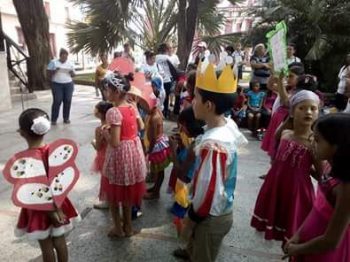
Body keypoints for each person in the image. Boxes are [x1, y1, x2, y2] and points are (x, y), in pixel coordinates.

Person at [175, 61, 248, 261]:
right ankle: (190, 250)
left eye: (195, 97)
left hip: (210, 216)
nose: (191, 101)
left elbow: (208, 191)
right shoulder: (228, 124)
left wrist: (190, 221)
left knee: (203, 254)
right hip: (218, 209)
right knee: (198, 245)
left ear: (208, 105)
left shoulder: (213, 144)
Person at [251, 90, 321, 243]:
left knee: (292, 221)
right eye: (301, 108)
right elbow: (276, 136)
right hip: (276, 183)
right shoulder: (286, 133)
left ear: (318, 112)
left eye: (313, 108)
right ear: (292, 111)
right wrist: (288, 120)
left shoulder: (314, 144)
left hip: (297, 190)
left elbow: (321, 173)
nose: (308, 112)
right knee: (276, 212)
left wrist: (303, 168)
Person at [11, 108, 80, 262]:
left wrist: (50, 212)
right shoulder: (55, 152)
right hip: (59, 203)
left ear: (21, 132)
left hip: (38, 206)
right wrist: (56, 209)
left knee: (46, 245)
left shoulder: (25, 160)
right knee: (60, 239)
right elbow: (61, 180)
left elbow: (33, 188)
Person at [283, 113, 350, 261]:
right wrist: (299, 234)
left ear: (337, 146)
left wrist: (298, 249)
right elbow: (317, 207)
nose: (312, 142)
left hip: (324, 252)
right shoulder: (329, 167)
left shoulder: (345, 188)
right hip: (309, 240)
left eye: (318, 140)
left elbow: (332, 241)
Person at [102, 72, 147, 237]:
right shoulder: (131, 107)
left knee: (114, 195)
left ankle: (118, 229)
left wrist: (105, 132)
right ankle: (128, 227)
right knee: (127, 193)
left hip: (120, 156)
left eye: (108, 90)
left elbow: (114, 142)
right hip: (134, 153)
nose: (106, 93)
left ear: (117, 92)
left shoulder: (113, 112)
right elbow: (141, 126)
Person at [168, 107, 205, 236]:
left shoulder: (194, 147)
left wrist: (172, 149)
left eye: (182, 126)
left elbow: (181, 173)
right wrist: (181, 146)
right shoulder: (198, 140)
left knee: (181, 216)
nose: (181, 129)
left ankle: (184, 239)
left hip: (186, 188)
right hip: (190, 187)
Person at [261, 65, 304, 158]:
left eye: (291, 76)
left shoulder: (299, 92)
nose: (288, 78)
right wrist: (273, 74)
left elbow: (286, 101)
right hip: (277, 118)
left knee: (281, 147)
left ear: (299, 77)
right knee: (274, 148)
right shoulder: (287, 87)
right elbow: (270, 86)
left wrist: (280, 81)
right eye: (287, 76)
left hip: (286, 120)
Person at [143, 79, 172, 200]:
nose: (144, 109)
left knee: (159, 172)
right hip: (155, 144)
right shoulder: (153, 113)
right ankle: (155, 188)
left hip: (157, 146)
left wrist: (149, 150)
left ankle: (156, 192)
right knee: (157, 170)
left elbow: (154, 137)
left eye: (145, 106)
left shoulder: (155, 117)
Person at [91, 101, 113, 209]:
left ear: (100, 114)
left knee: (105, 179)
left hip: (103, 156)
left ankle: (106, 200)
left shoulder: (99, 129)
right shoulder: (112, 126)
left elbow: (98, 146)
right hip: (112, 155)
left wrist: (93, 142)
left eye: (96, 110)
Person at [47, 48, 75, 125]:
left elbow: (73, 75)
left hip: (68, 84)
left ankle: (66, 118)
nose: (64, 59)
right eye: (63, 57)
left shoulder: (70, 63)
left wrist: (71, 72)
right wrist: (55, 70)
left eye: (66, 57)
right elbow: (48, 73)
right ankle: (54, 119)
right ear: (60, 56)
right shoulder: (53, 62)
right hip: (57, 84)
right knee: (57, 100)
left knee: (68, 100)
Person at [156, 43, 173, 118]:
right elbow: (173, 68)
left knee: (158, 96)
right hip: (167, 79)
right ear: (166, 49)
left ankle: (157, 111)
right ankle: (165, 112)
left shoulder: (156, 57)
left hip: (158, 79)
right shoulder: (169, 57)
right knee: (166, 96)